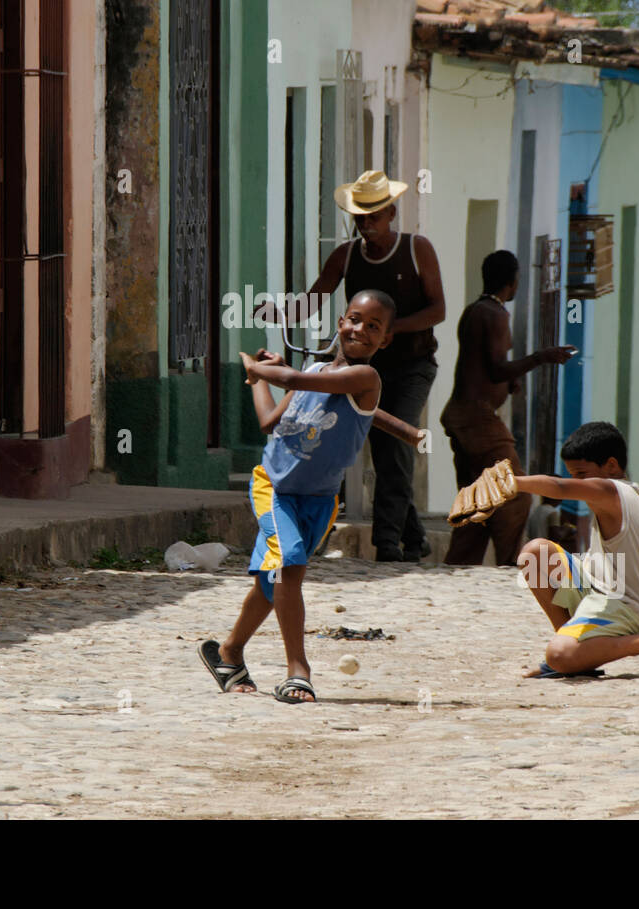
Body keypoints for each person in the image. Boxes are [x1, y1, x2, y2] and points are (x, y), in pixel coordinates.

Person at [199, 290, 420, 703]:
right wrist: (256, 378)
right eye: (355, 319)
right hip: (275, 488)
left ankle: (228, 653)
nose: (361, 330)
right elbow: (268, 421)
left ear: (385, 340)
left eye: (374, 327)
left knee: (273, 581)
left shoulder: (365, 379)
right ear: (340, 322)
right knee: (289, 563)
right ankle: (298, 670)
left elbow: (294, 380)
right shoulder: (315, 368)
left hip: (319, 499)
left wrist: (260, 368)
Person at [265, 170, 444, 563]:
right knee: (359, 441)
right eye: (360, 217)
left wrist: (388, 330)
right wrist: (276, 312)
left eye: (373, 216)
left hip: (410, 365)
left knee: (392, 445)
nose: (366, 224)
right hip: (360, 365)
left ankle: (388, 543)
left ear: (392, 212)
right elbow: (313, 299)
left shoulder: (418, 250)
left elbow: (438, 309)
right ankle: (412, 537)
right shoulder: (346, 255)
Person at [511, 422, 639, 680]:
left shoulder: (609, 490)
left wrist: (510, 483)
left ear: (612, 466)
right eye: (572, 474)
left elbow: (558, 487)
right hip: (600, 593)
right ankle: (577, 653)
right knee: (535, 554)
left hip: (630, 610)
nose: (577, 482)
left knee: (557, 656)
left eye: (581, 474)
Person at [440, 251, 574, 565]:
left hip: (461, 417)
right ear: (512, 282)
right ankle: (511, 563)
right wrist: (544, 356)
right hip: (477, 419)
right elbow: (498, 368)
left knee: (476, 497)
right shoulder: (496, 314)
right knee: (515, 492)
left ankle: (460, 563)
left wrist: (508, 381)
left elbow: (482, 367)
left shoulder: (475, 311)